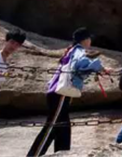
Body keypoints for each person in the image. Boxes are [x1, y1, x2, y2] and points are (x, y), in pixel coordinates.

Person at [28, 28, 105, 156]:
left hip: (58, 93)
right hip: (60, 93)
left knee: (63, 126)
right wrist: (99, 67)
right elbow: (81, 64)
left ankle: (62, 154)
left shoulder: (71, 50)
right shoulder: (78, 50)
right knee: (52, 126)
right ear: (85, 39)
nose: (90, 41)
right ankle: (33, 155)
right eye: (89, 38)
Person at [0, 29, 27, 136]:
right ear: (6, 41)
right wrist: (5, 74)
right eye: (12, 42)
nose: (13, 46)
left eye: (17, 44)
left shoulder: (5, 64)